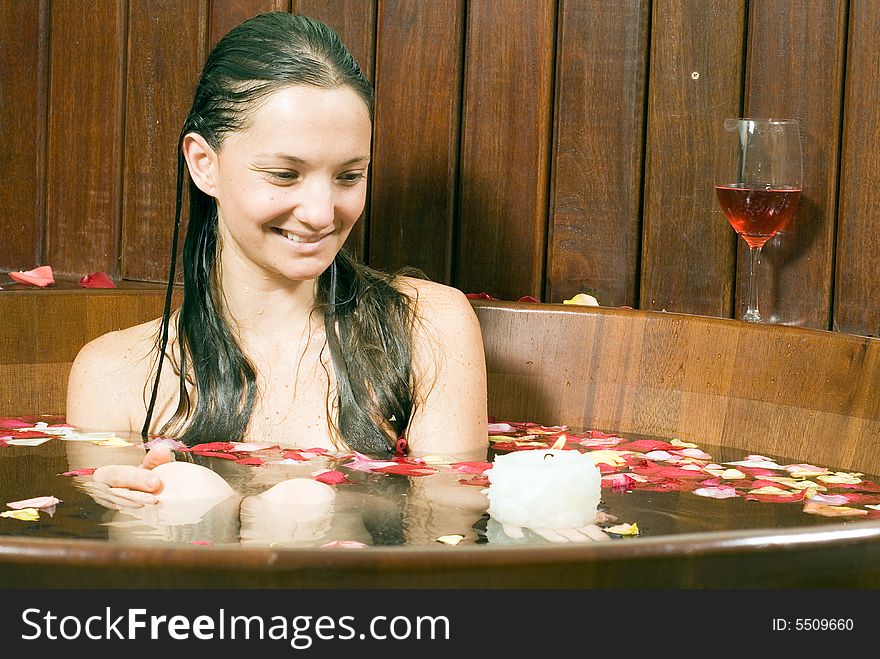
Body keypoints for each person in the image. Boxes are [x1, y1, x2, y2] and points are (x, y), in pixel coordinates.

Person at [65, 11, 488, 501]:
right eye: (285, 175)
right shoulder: (112, 375)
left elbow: (443, 536)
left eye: (350, 176)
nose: (321, 212)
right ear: (204, 164)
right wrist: (149, 515)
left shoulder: (429, 327)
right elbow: (122, 568)